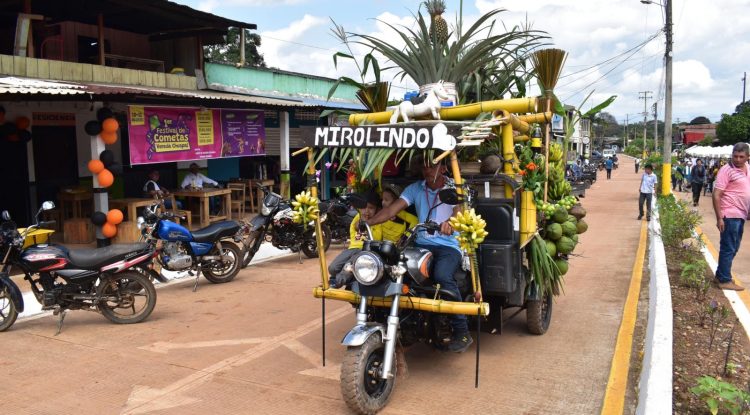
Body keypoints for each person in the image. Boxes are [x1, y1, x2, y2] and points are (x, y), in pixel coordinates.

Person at [366, 157, 473, 353]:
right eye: (424, 165)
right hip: (421, 243)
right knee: (393, 269)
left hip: (449, 245)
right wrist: (369, 222)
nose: (427, 169)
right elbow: (391, 210)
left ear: (443, 168)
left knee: (442, 275)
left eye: (432, 165)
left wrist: (450, 223)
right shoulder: (416, 188)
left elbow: (460, 213)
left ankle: (462, 330)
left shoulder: (456, 187)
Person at [711, 143, 750, 291]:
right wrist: (719, 217)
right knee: (728, 247)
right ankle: (724, 280)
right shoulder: (726, 170)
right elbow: (716, 194)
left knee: (734, 247)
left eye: (741, 157)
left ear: (748, 157)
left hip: (741, 214)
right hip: (729, 214)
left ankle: (720, 275)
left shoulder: (748, 169)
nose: (738, 159)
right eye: (735, 156)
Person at [328, 191, 382, 288]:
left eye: (371, 208)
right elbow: (355, 227)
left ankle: (339, 281)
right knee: (332, 268)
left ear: (377, 209)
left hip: (366, 250)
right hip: (352, 248)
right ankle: (345, 277)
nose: (367, 211)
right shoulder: (357, 218)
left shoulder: (380, 219)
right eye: (364, 207)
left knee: (349, 266)